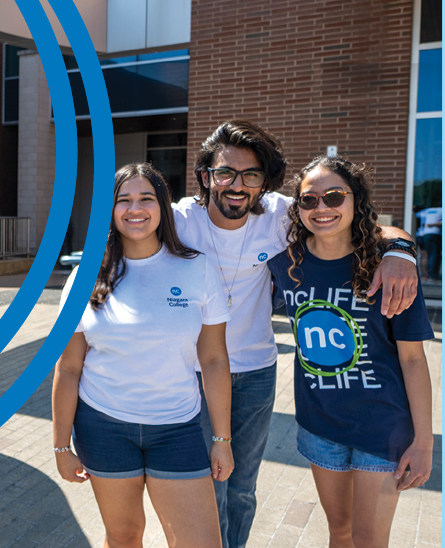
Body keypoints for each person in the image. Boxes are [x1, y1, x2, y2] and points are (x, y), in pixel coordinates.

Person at [171, 121, 419, 548]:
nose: (237, 185)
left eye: (251, 175)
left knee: (241, 487)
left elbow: (355, 222)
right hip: (188, 373)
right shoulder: (178, 221)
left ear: (265, 183)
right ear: (205, 176)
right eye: (225, 172)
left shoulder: (281, 215)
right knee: (201, 485)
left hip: (254, 374)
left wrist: (402, 252)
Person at [53, 163, 233, 548]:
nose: (135, 208)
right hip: (104, 428)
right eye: (124, 200)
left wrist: (222, 438)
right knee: (123, 537)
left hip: (178, 428)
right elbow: (68, 368)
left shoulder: (196, 269)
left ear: (162, 207)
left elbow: (215, 360)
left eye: (146, 198)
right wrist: (61, 446)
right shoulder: (86, 276)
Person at [269, 157, 433, 548]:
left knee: (368, 540)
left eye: (334, 196)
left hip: (382, 427)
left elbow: (413, 359)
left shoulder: (391, 269)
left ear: (355, 200)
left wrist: (424, 442)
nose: (321, 208)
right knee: (339, 534)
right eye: (309, 200)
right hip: (319, 425)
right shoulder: (284, 263)